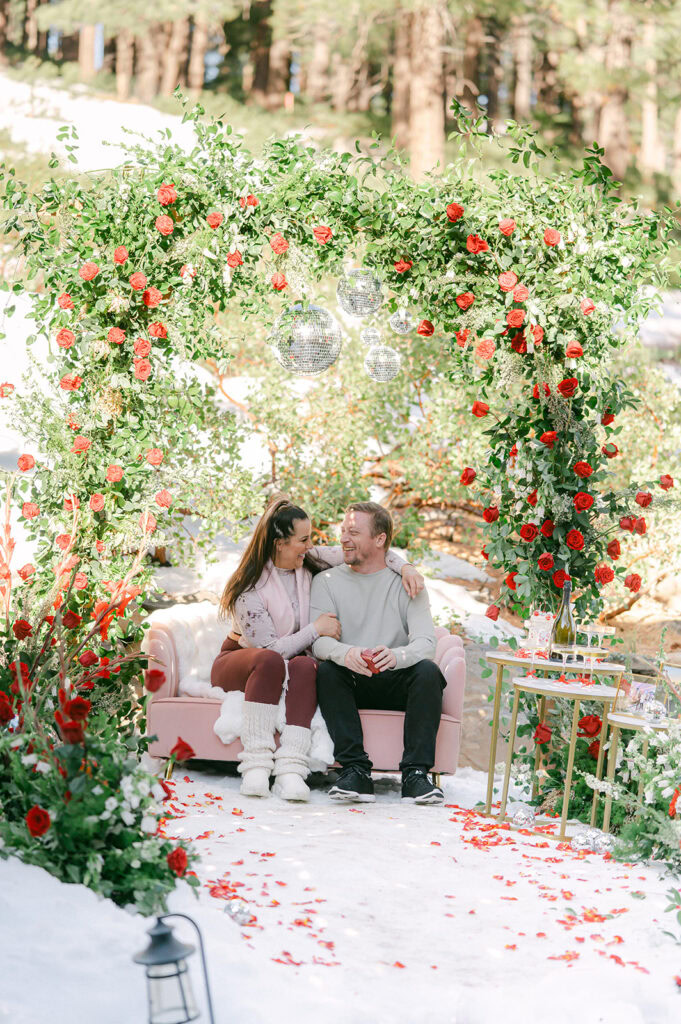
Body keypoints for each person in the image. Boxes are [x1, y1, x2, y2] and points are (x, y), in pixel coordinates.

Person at [213, 497, 424, 802]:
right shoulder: (249, 588)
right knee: (273, 660)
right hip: (242, 661)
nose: (310, 545)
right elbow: (271, 649)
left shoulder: (308, 561)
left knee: (307, 666)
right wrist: (316, 629)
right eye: (303, 539)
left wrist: (406, 568)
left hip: (287, 660)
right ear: (279, 543)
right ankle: (256, 766)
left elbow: (369, 551)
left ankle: (291, 769)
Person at [310, 502, 445, 805]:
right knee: (328, 671)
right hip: (351, 682)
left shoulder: (408, 583)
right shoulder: (326, 582)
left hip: (396, 680)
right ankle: (355, 770)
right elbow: (319, 643)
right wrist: (348, 654)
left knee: (428, 672)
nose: (344, 538)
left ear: (380, 539)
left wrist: (396, 656)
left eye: (354, 532)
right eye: (343, 531)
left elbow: (426, 642)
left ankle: (416, 776)